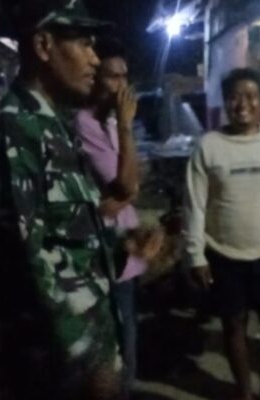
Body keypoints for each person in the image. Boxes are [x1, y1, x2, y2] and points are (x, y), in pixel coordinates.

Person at [0, 2, 156, 399]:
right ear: (43, 45)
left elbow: (65, 237)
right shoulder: (12, 132)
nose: (94, 58)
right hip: (57, 370)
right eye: (84, 44)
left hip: (85, 352)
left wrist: (120, 248)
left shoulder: (53, 127)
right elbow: (23, 267)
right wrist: (86, 360)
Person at [184, 68, 260, 400]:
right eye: (234, 97)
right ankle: (244, 393)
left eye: (251, 96)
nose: (242, 104)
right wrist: (195, 255)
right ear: (225, 102)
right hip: (223, 255)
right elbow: (194, 205)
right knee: (234, 325)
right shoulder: (208, 146)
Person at [73, 38, 163, 399]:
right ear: (95, 80)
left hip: (125, 252)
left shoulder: (110, 122)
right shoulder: (85, 124)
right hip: (102, 255)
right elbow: (127, 182)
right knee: (111, 347)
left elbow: (133, 186)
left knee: (127, 339)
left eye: (125, 76)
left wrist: (126, 192)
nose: (122, 86)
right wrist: (126, 127)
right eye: (113, 77)